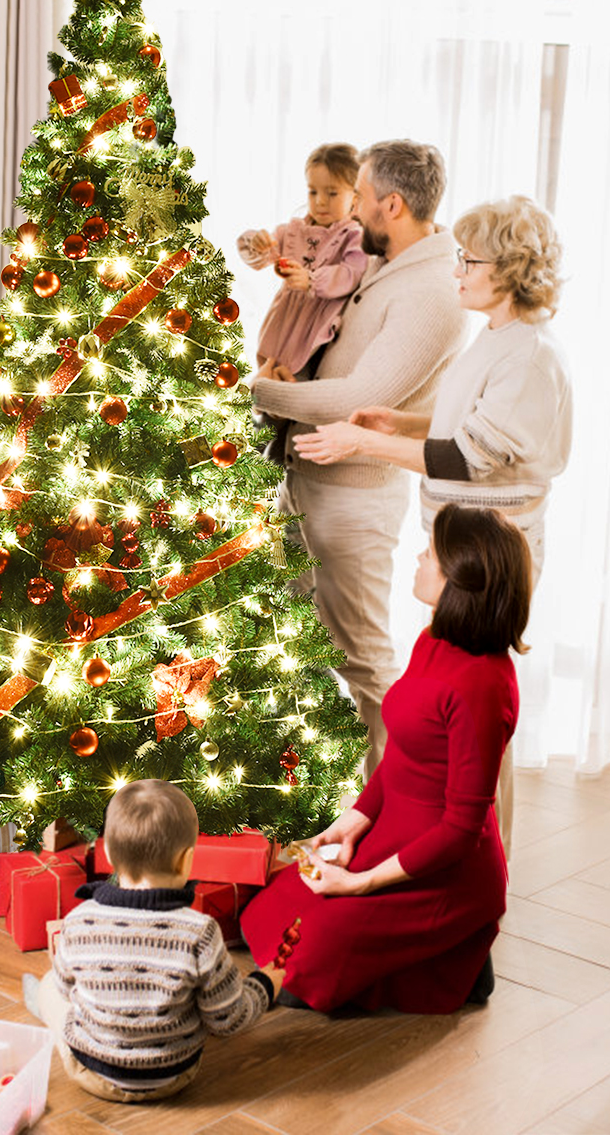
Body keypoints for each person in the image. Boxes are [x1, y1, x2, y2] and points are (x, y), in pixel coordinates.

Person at [291, 194, 572, 850]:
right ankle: (450, 839)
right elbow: (464, 426)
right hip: (462, 542)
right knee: (456, 701)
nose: (458, 271)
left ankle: (479, 851)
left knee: (476, 709)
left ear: (508, 268)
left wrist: (360, 445)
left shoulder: (529, 355)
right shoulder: (496, 338)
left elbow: (467, 458)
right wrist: (401, 423)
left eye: (470, 261)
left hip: (492, 553)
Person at [239, 505, 532, 1014]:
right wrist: (352, 822)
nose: (420, 558)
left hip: (445, 867)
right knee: (274, 911)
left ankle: (457, 957)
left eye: (432, 555)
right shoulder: (433, 639)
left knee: (314, 953)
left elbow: (461, 829)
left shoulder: (483, 687)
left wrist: (360, 883)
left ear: (461, 579)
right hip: (395, 829)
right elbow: (401, 752)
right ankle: (437, 958)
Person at [251, 140, 468, 776]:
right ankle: (316, 795)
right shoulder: (382, 261)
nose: (350, 215)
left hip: (354, 497)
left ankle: (396, 800)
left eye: (363, 201)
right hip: (310, 476)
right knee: (298, 644)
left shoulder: (430, 291)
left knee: (362, 657)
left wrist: (255, 389)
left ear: (391, 205)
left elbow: (361, 397)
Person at [23, 779, 284, 1103]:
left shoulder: (79, 920)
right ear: (186, 860)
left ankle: (44, 1010)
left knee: (51, 985)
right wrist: (265, 984)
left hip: (92, 1072)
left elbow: (66, 989)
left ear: (107, 852)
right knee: (201, 993)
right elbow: (230, 1018)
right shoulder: (200, 931)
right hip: (174, 1076)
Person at [237, 142, 368, 381]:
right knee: (268, 378)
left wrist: (312, 280)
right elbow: (259, 258)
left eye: (332, 193)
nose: (320, 201)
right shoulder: (294, 230)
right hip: (282, 321)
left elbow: (352, 273)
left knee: (296, 381)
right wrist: (257, 243)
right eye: (313, 192)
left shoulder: (353, 235)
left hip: (316, 325)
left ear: (355, 198)